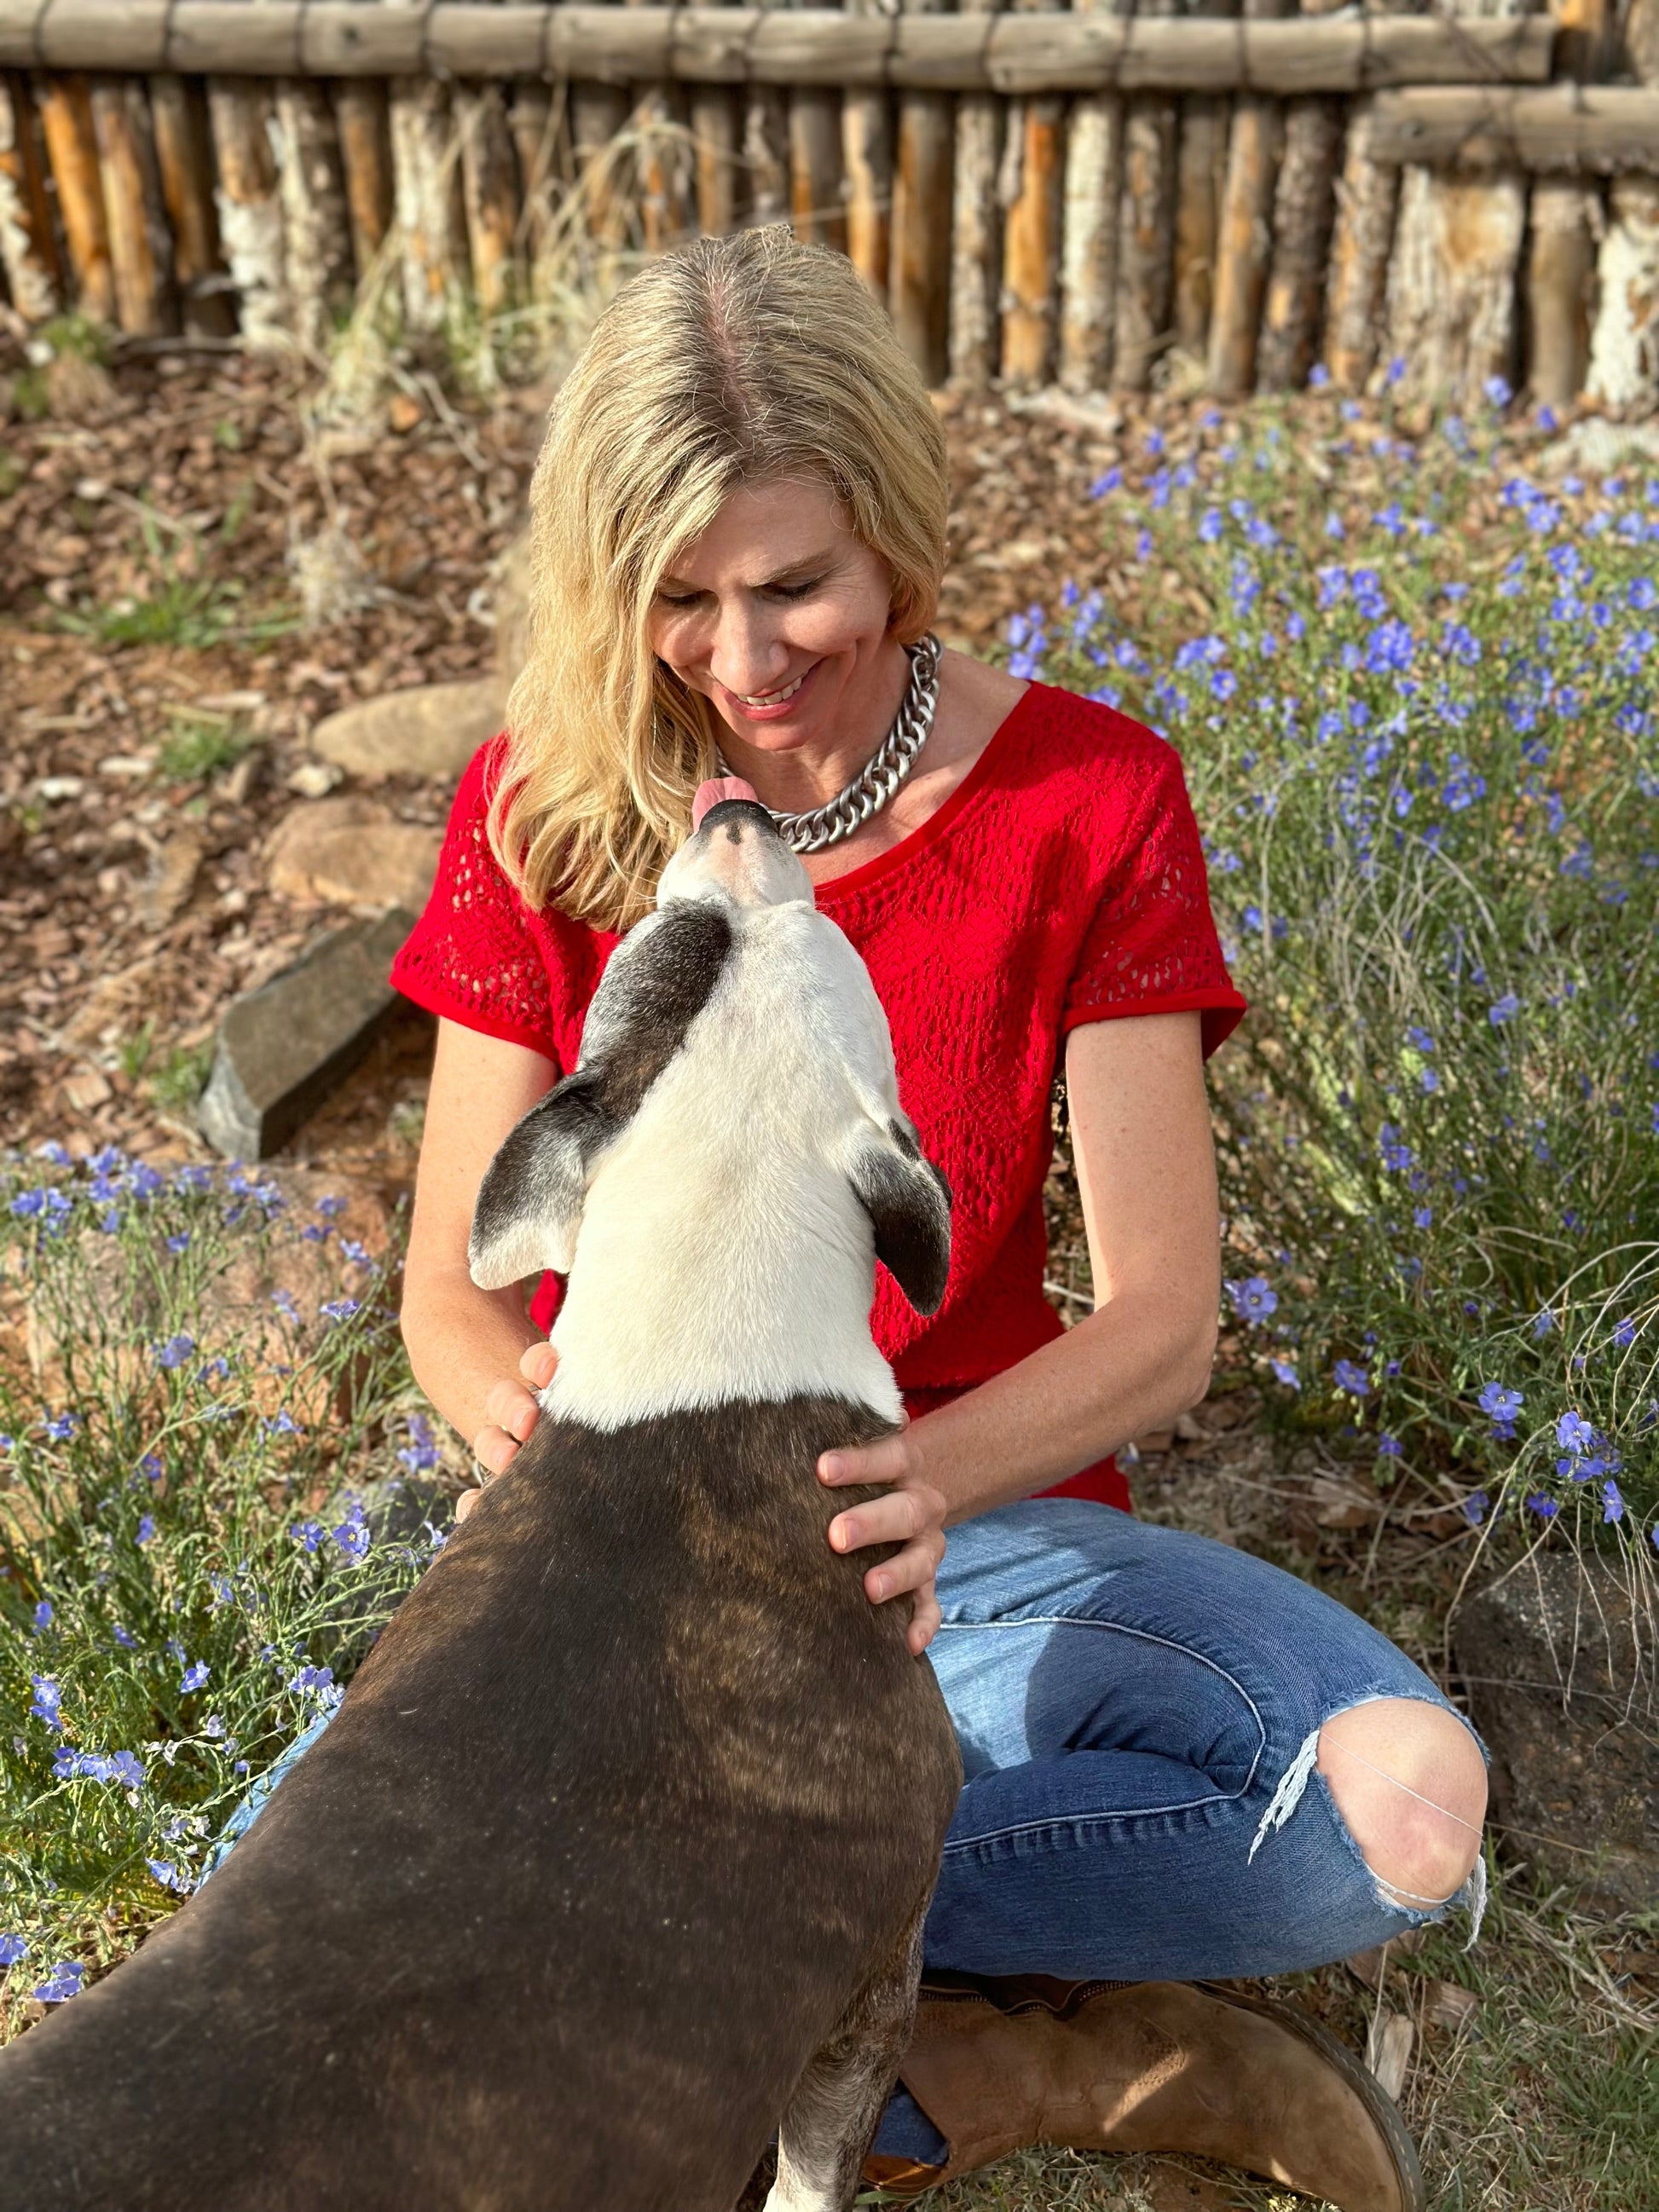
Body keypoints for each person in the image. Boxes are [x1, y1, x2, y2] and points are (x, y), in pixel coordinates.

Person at [382, 227, 1486, 2210]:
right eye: (680, 599)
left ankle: (921, 2035)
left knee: (1397, 1813)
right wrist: (513, 1423)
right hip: (627, 1566)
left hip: (966, 1542)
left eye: (795, 582)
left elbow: (1162, 1317)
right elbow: (444, 1297)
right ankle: (904, 2016)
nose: (741, 659)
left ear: (899, 534)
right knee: (310, 1865)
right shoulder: (538, 801)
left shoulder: (1090, 795)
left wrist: (915, 1477)